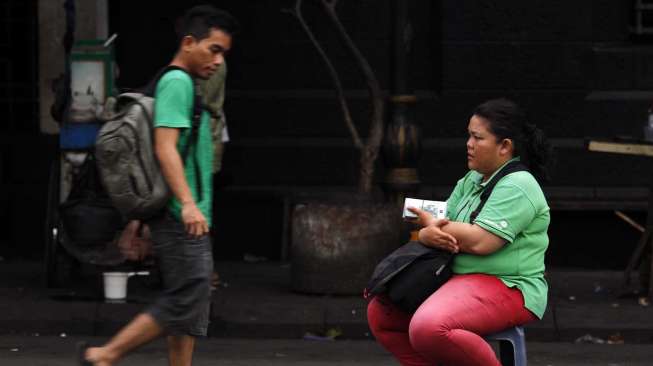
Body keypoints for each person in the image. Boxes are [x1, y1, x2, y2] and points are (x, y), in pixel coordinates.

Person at [81, 5, 239, 366]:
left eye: (223, 54)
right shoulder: (177, 83)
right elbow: (164, 148)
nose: (218, 61)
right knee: (188, 295)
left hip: (191, 213)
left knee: (193, 306)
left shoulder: (185, 84)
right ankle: (103, 356)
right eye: (214, 50)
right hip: (181, 214)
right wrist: (186, 204)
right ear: (188, 42)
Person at [367, 98, 552, 366]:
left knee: (428, 327)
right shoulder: (473, 178)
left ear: (505, 146)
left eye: (478, 138)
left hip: (509, 285)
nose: (469, 144)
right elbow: (442, 224)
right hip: (459, 278)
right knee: (383, 315)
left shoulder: (518, 184)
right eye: (469, 136)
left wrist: (431, 227)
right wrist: (429, 234)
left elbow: (481, 242)